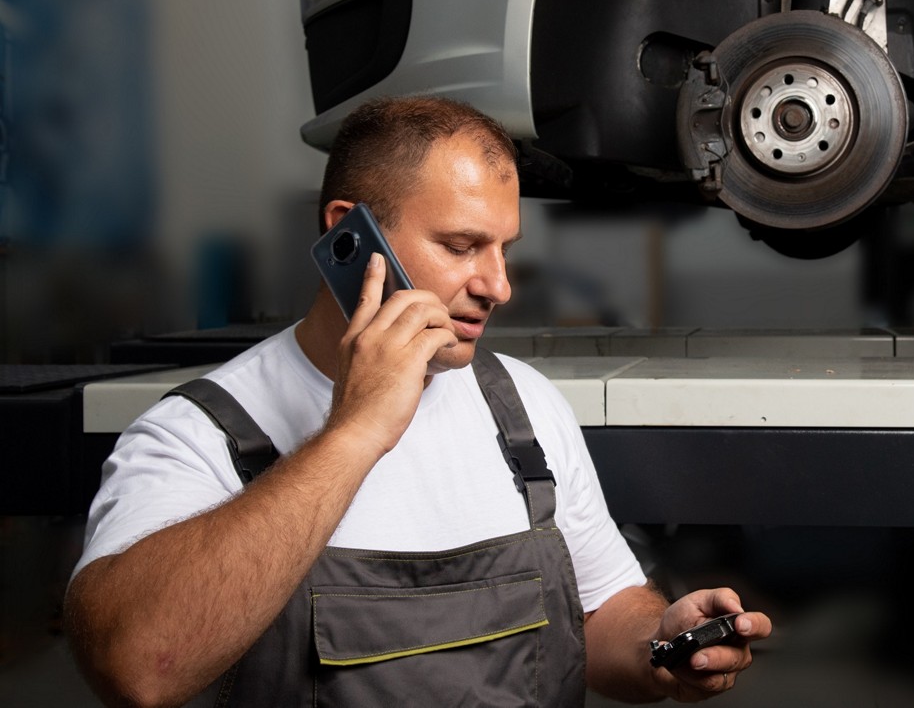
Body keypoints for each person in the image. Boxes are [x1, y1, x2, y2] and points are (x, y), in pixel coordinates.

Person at [64, 95, 771, 706]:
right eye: (462, 245)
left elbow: (598, 615)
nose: (498, 286)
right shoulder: (196, 433)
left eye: (503, 248)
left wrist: (663, 643)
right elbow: (139, 670)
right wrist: (354, 431)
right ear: (349, 231)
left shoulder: (523, 407)